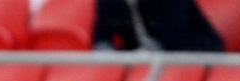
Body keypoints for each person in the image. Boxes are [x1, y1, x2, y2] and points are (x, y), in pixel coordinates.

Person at [93, 0, 224, 52]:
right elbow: (101, 39)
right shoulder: (108, 3)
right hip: (139, 61)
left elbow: (174, 39)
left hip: (190, 53)